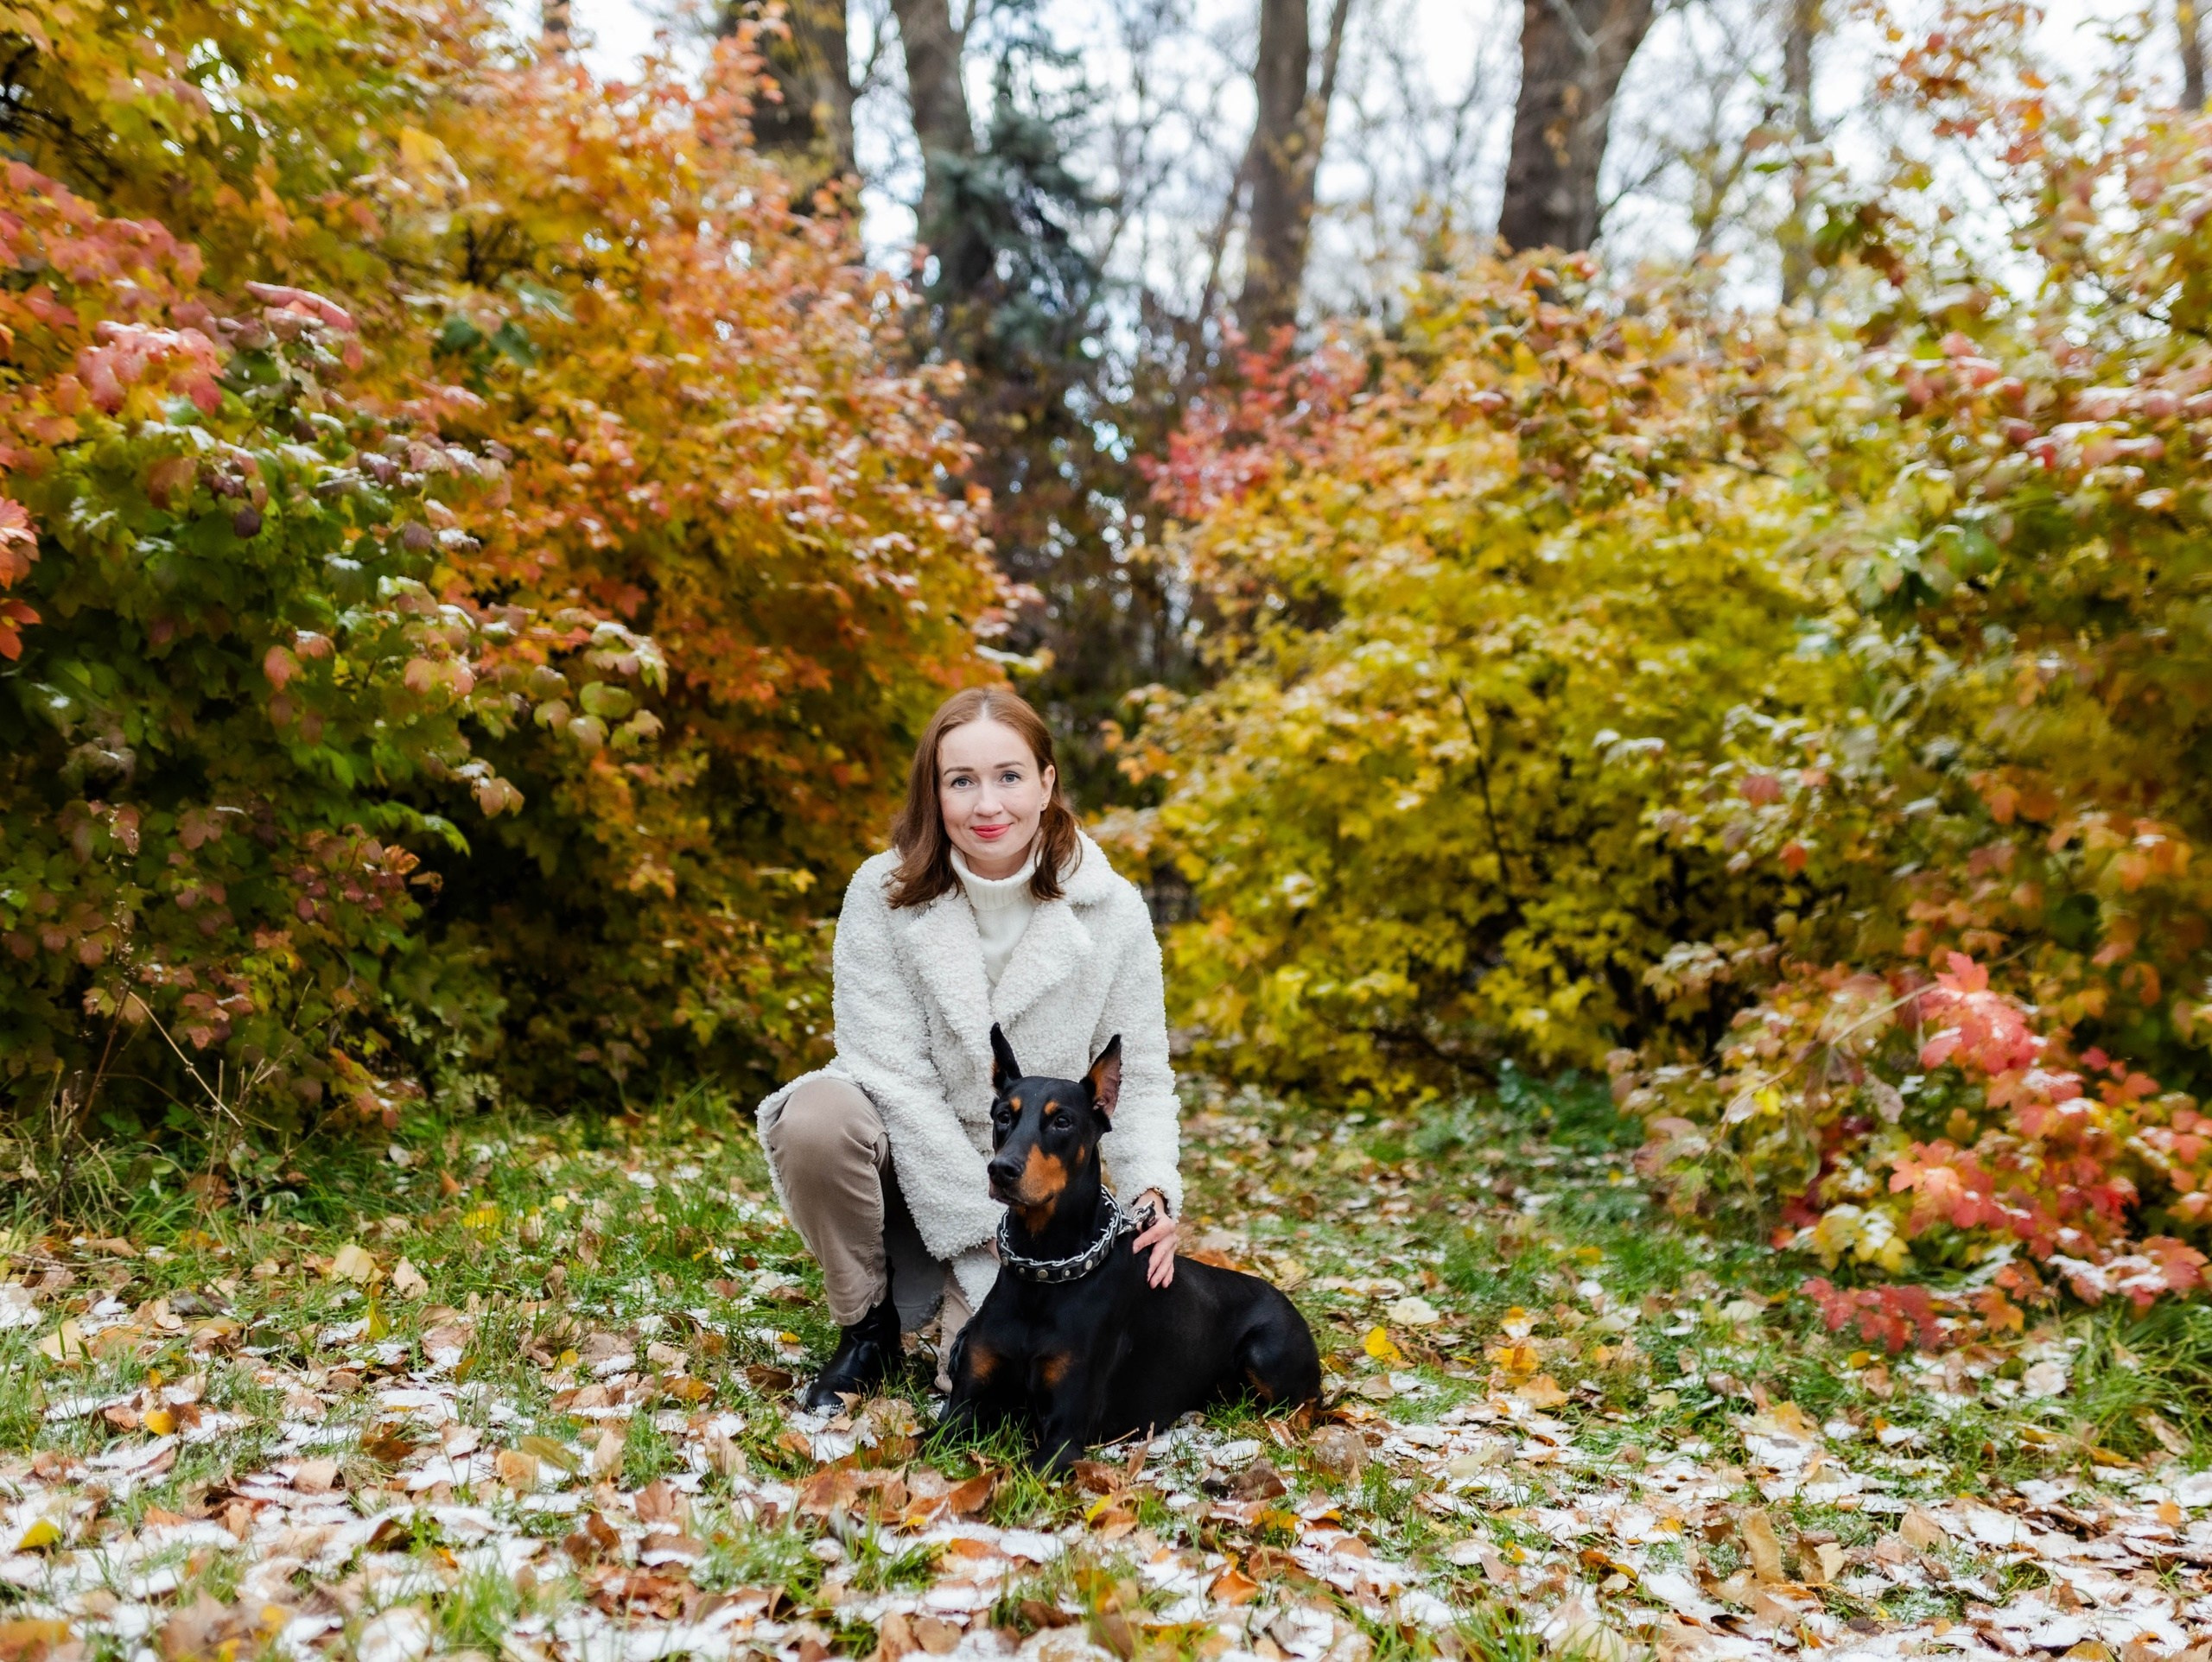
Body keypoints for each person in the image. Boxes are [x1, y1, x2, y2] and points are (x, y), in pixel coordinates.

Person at [755, 688, 1184, 1410]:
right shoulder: (883, 893)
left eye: (1009, 776)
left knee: (988, 1395)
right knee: (815, 1116)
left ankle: (968, 1314)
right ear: (935, 791)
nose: (988, 804)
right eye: (962, 781)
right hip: (916, 1167)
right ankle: (866, 1327)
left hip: (1039, 1202)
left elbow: (1135, 1079)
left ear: (1047, 783)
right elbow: (889, 1077)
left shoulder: (1111, 909)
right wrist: (978, 1216)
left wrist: (1151, 1192)